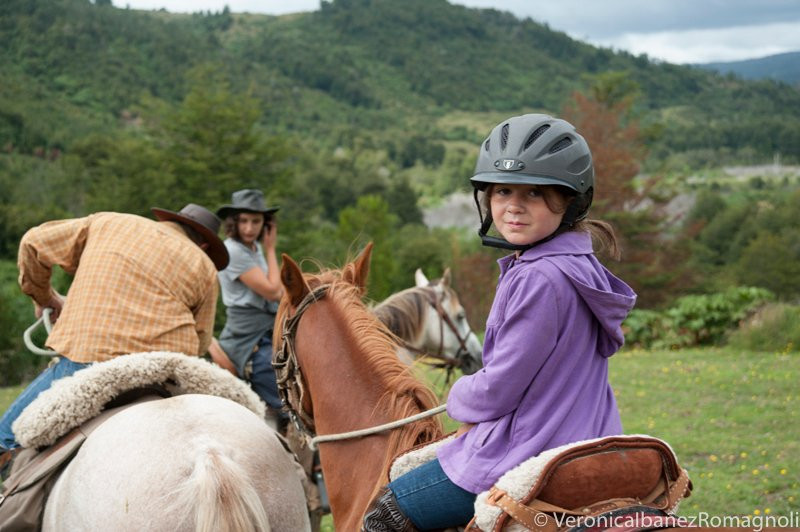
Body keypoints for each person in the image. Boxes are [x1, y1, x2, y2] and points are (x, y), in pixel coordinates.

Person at [362, 114, 637, 531]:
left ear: (570, 201)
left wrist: (459, 393)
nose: (513, 205)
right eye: (503, 190)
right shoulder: (579, 264)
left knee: (385, 513)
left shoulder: (537, 277)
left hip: (533, 448)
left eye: (535, 193)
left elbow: (500, 387)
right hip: (588, 436)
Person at [0, 203, 228, 474]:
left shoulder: (107, 222)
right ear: (204, 245)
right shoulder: (204, 266)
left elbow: (33, 243)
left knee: (6, 437)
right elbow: (201, 340)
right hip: (162, 375)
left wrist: (45, 296)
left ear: (168, 221)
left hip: (89, 362)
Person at [211, 189, 287, 425]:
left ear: (266, 224)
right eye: (243, 221)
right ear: (234, 222)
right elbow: (273, 291)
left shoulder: (253, 249)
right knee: (287, 396)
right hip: (248, 337)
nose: (249, 228)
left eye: (256, 221)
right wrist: (272, 248)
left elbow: (280, 291)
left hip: (268, 329)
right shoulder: (233, 251)